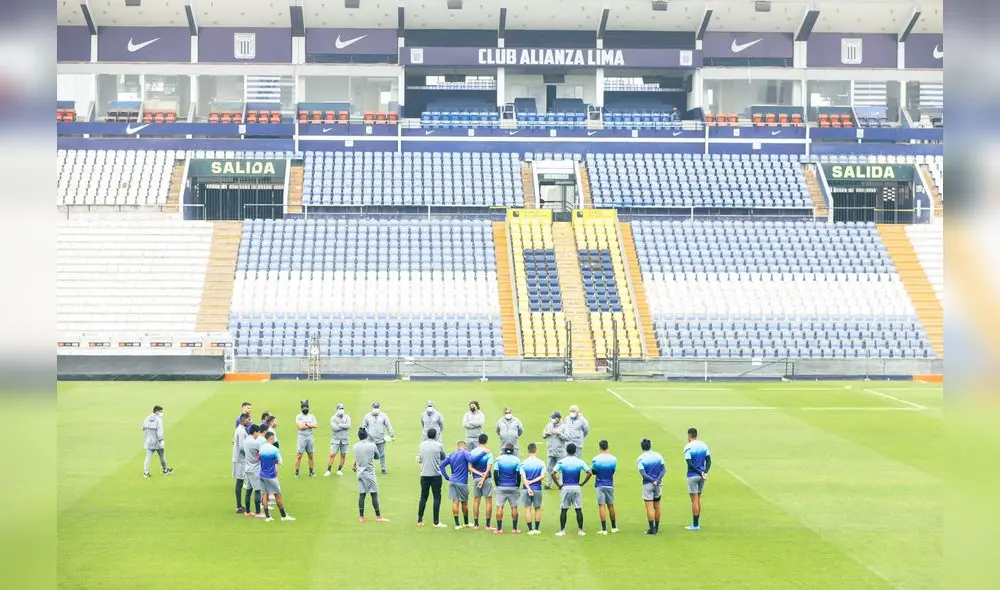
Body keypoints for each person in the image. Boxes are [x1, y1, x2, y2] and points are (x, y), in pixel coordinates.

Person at [552, 443, 591, 536]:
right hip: (576, 487)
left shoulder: (562, 461)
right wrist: (583, 483)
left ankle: (562, 531)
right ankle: (581, 530)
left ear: (566, 450)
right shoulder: (580, 461)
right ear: (575, 451)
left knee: (564, 509)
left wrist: (558, 485)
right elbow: (589, 473)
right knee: (578, 509)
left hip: (565, 487)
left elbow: (553, 473)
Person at [353, 427, 389, 522]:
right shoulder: (372, 445)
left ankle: (361, 517)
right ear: (366, 435)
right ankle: (378, 516)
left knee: (362, 495)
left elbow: (357, 458)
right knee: (374, 494)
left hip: (360, 473)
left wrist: (354, 465)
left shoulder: (355, 446)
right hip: (369, 473)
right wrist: (382, 454)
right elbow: (377, 456)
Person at [259, 431, 295, 522]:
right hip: (271, 475)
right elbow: (280, 462)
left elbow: (259, 459)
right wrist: (273, 462)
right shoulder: (274, 449)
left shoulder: (261, 448)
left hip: (262, 474)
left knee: (264, 494)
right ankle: (283, 516)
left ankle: (267, 516)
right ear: (271, 438)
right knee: (277, 495)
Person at [416, 428, 448, 528]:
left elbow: (420, 458)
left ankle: (420, 520)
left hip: (424, 474)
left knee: (423, 497)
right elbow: (443, 457)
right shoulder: (439, 445)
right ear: (435, 436)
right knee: (437, 497)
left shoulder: (421, 445)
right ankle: (436, 521)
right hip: (436, 475)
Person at [440, 441, 473, 529]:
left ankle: (457, 524)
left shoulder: (451, 455)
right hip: (462, 482)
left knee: (455, 502)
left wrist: (447, 477)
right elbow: (472, 460)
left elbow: (441, 466)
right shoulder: (464, 453)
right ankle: (466, 523)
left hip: (452, 481)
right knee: (464, 503)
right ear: (464, 447)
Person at [684, 427, 711, 531]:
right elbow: (708, 461)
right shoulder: (704, 445)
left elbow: (690, 464)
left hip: (692, 475)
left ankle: (695, 525)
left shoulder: (688, 447)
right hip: (702, 476)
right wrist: (705, 472)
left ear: (689, 435)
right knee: (698, 499)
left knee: (694, 500)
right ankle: (696, 523)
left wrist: (700, 472)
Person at [637, 438, 666, 535]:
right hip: (658, 484)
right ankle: (656, 527)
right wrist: (657, 480)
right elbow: (663, 470)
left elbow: (643, 474)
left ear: (642, 447)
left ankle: (652, 529)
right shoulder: (658, 456)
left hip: (648, 484)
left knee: (649, 507)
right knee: (657, 506)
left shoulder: (640, 458)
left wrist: (653, 480)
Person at [492, 443, 522, 534]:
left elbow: (495, 473)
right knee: (514, 507)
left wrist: (497, 484)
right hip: (513, 486)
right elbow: (518, 474)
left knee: (499, 507)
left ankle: (499, 529)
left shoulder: (499, 459)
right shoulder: (517, 460)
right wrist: (517, 484)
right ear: (513, 450)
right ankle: (514, 529)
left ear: (504, 450)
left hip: (501, 486)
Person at [591, 439, 619, 534]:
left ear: (600, 447)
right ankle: (614, 527)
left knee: (601, 506)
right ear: (607, 446)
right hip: (609, 484)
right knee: (611, 505)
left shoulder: (596, 459)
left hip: (599, 484)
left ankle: (603, 529)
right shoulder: (613, 459)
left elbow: (593, 471)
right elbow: (613, 471)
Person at [468, 433, 495, 530]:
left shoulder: (472, 452)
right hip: (487, 479)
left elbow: (470, 468)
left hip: (476, 478)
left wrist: (479, 474)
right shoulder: (488, 453)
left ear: (478, 441)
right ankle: (487, 525)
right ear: (486, 441)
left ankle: (476, 524)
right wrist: (483, 476)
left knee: (476, 500)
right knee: (488, 501)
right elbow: (488, 468)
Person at [519, 443, 547, 535]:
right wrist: (532, 482)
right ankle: (536, 528)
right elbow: (542, 476)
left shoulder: (523, 463)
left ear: (528, 451)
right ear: (536, 450)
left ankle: (530, 529)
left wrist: (528, 486)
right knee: (537, 508)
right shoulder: (541, 463)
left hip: (526, 489)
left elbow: (523, 478)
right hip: (537, 488)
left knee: (527, 508)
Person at [361, 402, 394, 474]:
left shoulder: (384, 416)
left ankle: (383, 468)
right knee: (369, 454)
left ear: (379, 408)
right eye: (374, 407)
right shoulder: (367, 416)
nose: (376, 409)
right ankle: (369, 468)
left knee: (382, 454)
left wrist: (391, 435)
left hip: (381, 439)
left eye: (377, 407)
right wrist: (368, 433)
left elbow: (388, 425)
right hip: (370, 440)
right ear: (372, 408)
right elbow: (363, 426)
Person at [142, 405, 172, 477]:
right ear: (157, 411)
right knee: (162, 457)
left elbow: (143, 428)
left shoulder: (147, 418)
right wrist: (161, 440)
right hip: (157, 442)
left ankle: (146, 472)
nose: (162, 413)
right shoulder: (159, 420)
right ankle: (165, 470)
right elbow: (159, 431)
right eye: (161, 411)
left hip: (148, 441)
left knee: (148, 457)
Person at [242, 425, 265, 518]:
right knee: (257, 490)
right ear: (255, 432)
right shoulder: (256, 443)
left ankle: (247, 511)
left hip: (247, 468)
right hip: (255, 468)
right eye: (258, 433)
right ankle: (258, 512)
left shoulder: (245, 440)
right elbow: (262, 453)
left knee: (248, 490)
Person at [542, 411, 568, 488]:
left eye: (554, 418)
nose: (552, 419)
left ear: (558, 418)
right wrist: (547, 433)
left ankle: (561, 484)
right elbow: (543, 435)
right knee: (549, 468)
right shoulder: (549, 425)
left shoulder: (564, 426)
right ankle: (549, 484)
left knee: (560, 469)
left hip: (560, 452)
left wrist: (559, 433)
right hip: (551, 451)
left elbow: (567, 437)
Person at [233, 414, 252, 513]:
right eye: (249, 419)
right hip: (240, 460)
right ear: (243, 420)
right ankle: (238, 506)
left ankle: (239, 505)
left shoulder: (241, 430)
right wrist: (249, 453)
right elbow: (241, 447)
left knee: (240, 482)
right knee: (239, 482)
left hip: (239, 459)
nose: (250, 421)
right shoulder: (241, 431)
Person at [325, 403, 351, 476]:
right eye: (340, 408)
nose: (341, 410)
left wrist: (340, 425)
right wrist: (344, 426)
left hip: (345, 439)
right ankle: (328, 470)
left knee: (343, 455)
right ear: (337, 409)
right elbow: (334, 428)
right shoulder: (333, 418)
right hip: (335, 439)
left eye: (342, 408)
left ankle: (339, 469)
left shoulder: (347, 417)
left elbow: (348, 426)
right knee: (332, 454)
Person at [294, 401, 318, 477]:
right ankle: (297, 472)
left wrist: (306, 424)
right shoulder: (298, 416)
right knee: (299, 455)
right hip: (301, 437)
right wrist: (310, 425)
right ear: (301, 408)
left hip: (310, 437)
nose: (305, 409)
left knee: (310, 455)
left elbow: (315, 425)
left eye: (306, 407)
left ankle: (311, 471)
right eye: (304, 408)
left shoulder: (312, 416)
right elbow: (300, 427)